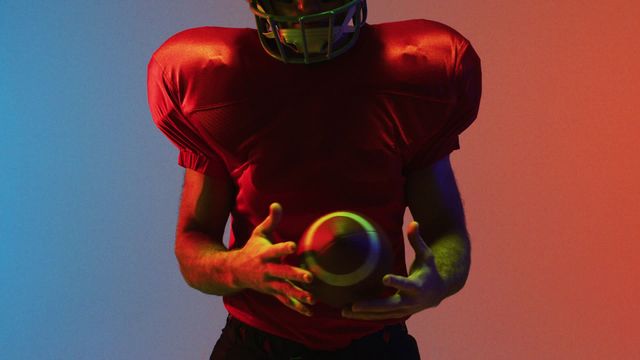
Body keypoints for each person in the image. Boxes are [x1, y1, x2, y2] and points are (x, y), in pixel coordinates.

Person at [146, 0, 482, 358]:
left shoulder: (420, 71)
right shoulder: (210, 78)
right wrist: (237, 268)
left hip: (377, 345)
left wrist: (438, 279)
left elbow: (446, 230)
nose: (305, 6)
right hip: (257, 344)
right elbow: (192, 243)